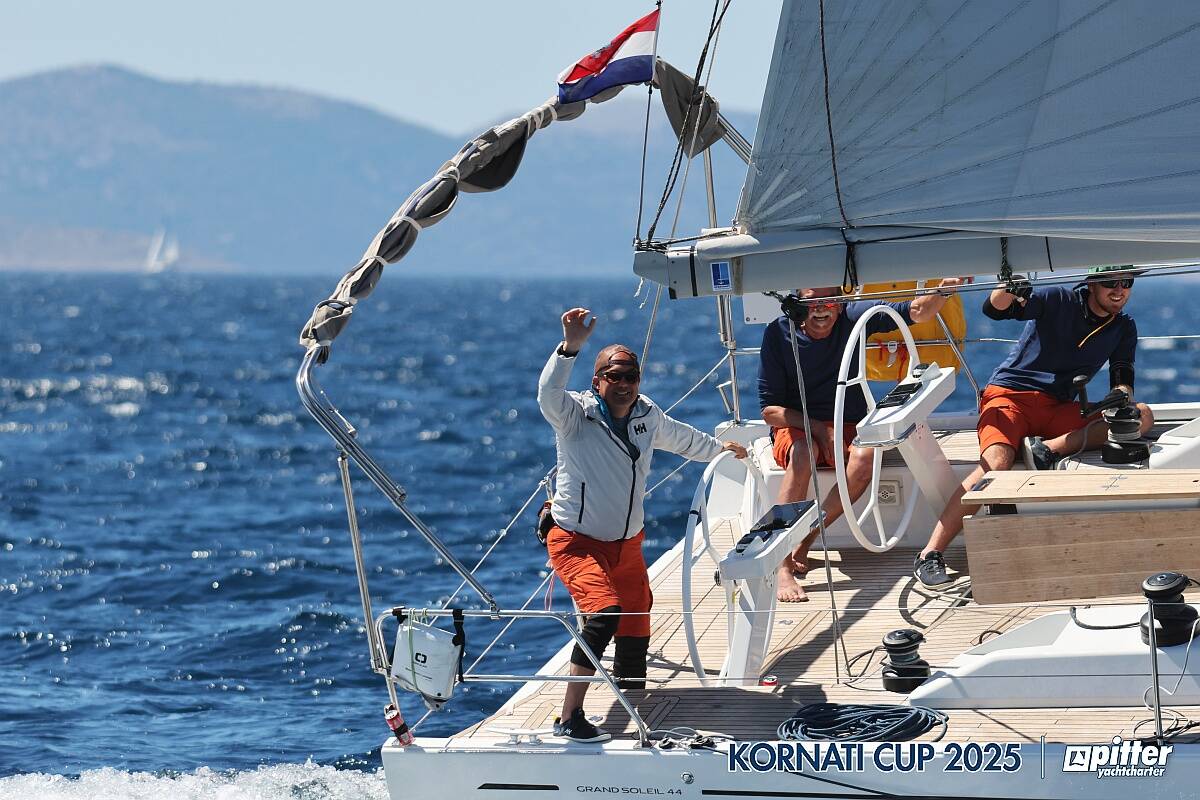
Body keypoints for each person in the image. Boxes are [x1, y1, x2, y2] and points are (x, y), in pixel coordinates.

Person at [538, 307, 748, 742]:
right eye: (614, 376)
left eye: (631, 376)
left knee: (635, 617)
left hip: (627, 543)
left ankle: (633, 701)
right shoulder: (574, 414)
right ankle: (569, 718)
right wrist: (570, 347)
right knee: (603, 615)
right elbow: (547, 392)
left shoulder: (646, 414)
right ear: (597, 381)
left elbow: (682, 438)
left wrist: (721, 451)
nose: (624, 384)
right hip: (577, 541)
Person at [913, 266, 1154, 587]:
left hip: (1057, 409)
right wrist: (1009, 287)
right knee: (995, 464)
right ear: (1092, 283)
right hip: (1009, 397)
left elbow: (1123, 378)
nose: (1119, 289)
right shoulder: (1059, 298)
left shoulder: (1123, 326)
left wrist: (1120, 399)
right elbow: (995, 309)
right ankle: (930, 553)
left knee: (1142, 415)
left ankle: (1048, 449)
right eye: (1111, 281)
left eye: (1127, 282)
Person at [760, 280, 967, 602]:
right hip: (798, 425)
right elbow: (770, 411)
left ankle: (806, 539)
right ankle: (781, 564)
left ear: (841, 303)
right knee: (803, 453)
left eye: (829, 301)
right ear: (797, 305)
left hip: (847, 423)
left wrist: (942, 290)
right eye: (812, 302)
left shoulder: (855, 318)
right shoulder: (778, 333)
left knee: (866, 458)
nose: (821, 310)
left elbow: (916, 311)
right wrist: (818, 429)